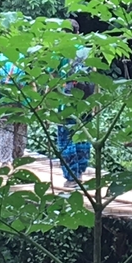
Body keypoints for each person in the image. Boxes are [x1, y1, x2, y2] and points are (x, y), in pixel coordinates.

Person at [56, 20, 94, 189]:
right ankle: (80, 172)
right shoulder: (87, 51)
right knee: (82, 138)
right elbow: (94, 76)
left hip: (66, 103)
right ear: (78, 32)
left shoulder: (60, 52)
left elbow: (53, 77)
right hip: (85, 102)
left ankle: (71, 176)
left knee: (66, 140)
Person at [0, 54, 29, 167]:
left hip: (2, 102)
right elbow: (28, 83)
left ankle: (5, 161)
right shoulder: (22, 59)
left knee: (3, 130)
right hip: (20, 101)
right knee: (19, 130)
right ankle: (17, 158)